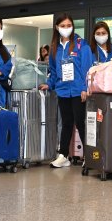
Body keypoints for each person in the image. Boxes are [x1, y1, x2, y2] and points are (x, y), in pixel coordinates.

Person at [39, 14, 93, 168]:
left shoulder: (81, 44)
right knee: (66, 123)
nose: (66, 28)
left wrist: (84, 88)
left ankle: (88, 157)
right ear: (57, 27)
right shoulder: (55, 47)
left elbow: (87, 68)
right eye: (62, 25)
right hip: (63, 90)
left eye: (69, 25)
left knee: (81, 123)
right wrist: (50, 84)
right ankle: (63, 155)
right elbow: (54, 71)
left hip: (78, 91)